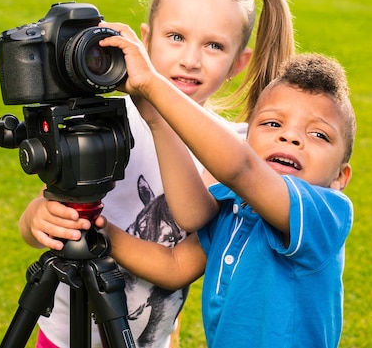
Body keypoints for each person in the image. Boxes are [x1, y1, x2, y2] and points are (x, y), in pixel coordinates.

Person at [18, 0, 295, 348]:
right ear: (144, 40)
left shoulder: (235, 151)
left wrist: (101, 233)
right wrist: (37, 220)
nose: (190, 59)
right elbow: (44, 214)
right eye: (176, 37)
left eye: (214, 45)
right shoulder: (107, 120)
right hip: (64, 336)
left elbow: (186, 242)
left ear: (239, 63)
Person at [95, 48, 356, 347]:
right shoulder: (233, 204)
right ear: (248, 138)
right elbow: (175, 266)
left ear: (340, 177)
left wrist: (153, 84)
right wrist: (102, 232)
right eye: (273, 124)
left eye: (319, 135)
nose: (290, 137)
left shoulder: (323, 213)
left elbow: (241, 168)